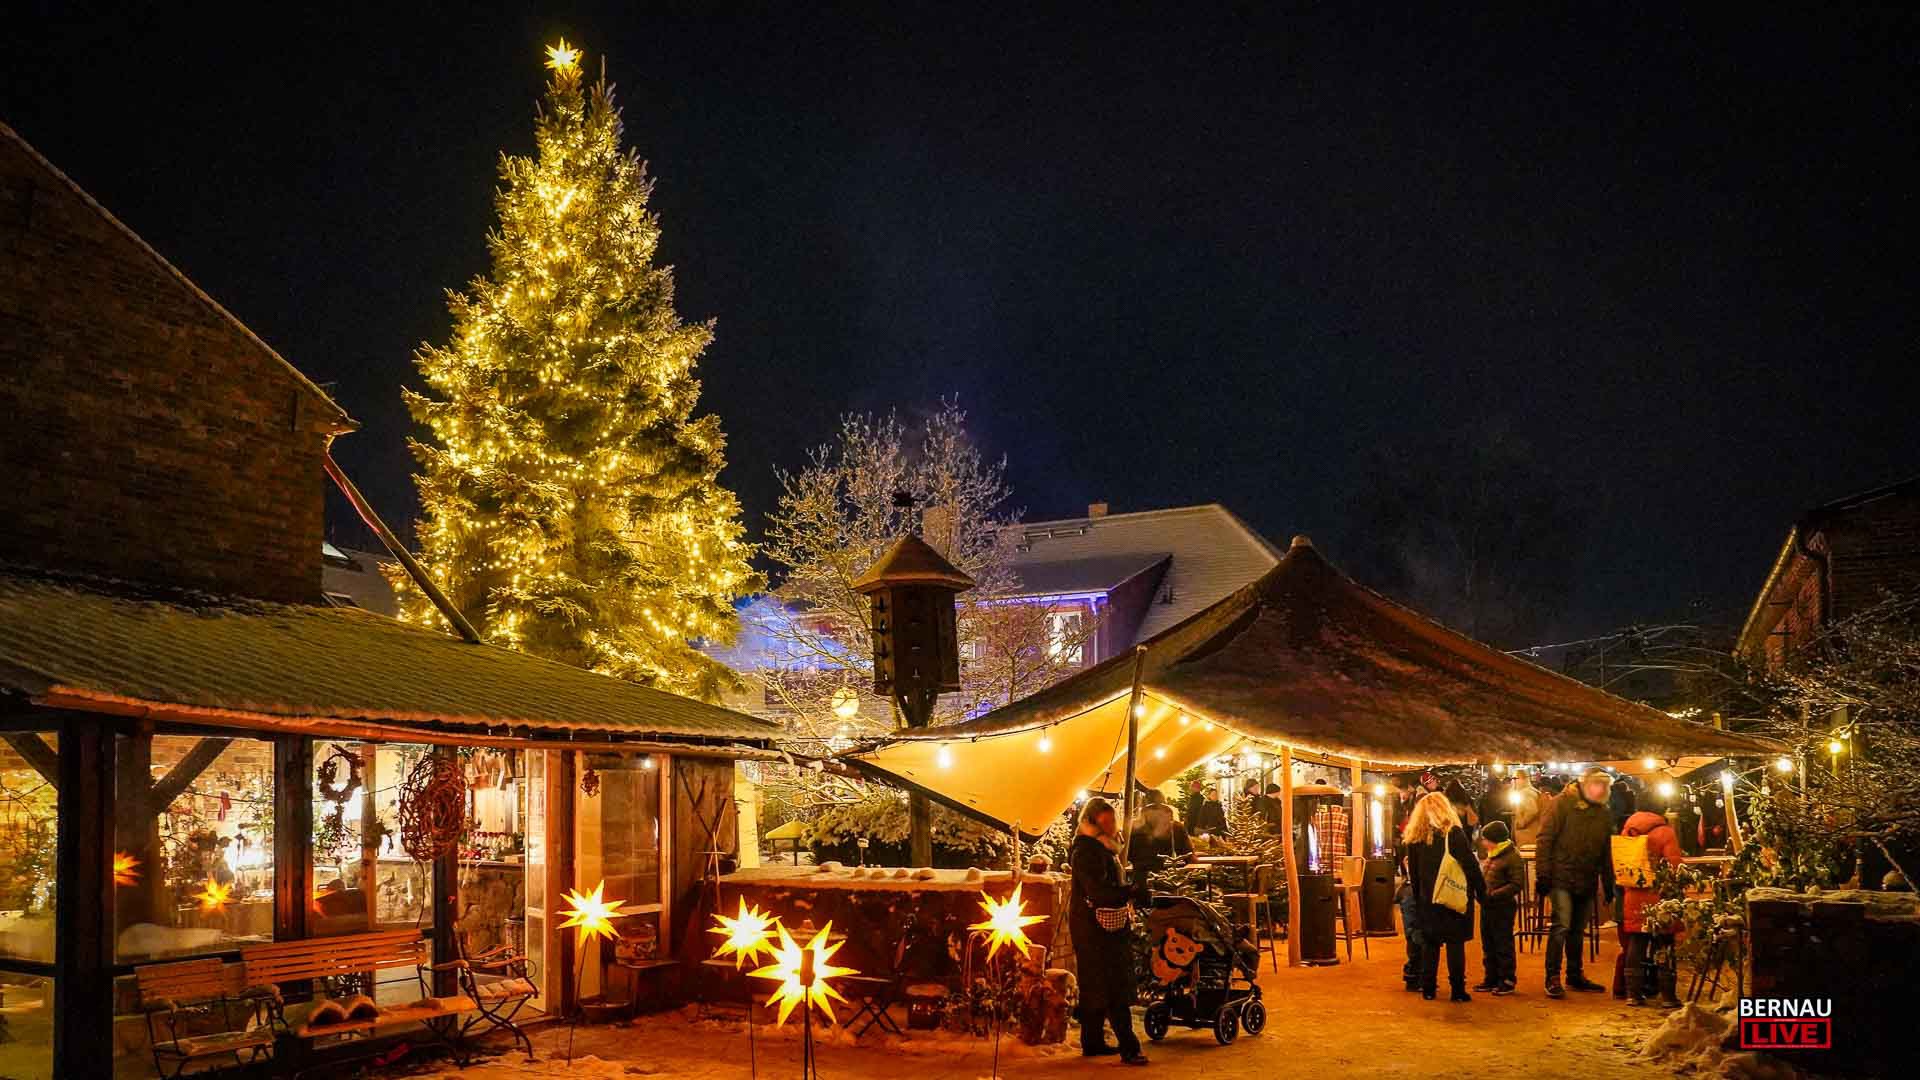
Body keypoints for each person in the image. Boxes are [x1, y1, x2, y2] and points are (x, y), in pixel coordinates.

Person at [1068, 797, 1148, 1066]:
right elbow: (1098, 891)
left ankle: (1092, 1042)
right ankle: (1130, 1046)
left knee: (1095, 984)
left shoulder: (1101, 848)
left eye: (1113, 819)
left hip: (1095, 925)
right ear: (1093, 823)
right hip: (1096, 928)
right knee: (1114, 985)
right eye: (1107, 821)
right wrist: (1129, 891)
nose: (1113, 825)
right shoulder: (1089, 851)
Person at [1535, 768, 1617, 998]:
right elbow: (1545, 839)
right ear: (1584, 784)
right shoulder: (1561, 804)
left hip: (1586, 877)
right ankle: (1552, 976)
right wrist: (1543, 875)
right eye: (1596, 784)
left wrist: (1608, 882)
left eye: (1604, 785)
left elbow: (1605, 850)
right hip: (1561, 875)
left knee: (1577, 931)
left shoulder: (1603, 812)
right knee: (1561, 926)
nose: (1600, 789)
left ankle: (1574, 974)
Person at [1401, 791, 1487, 1001]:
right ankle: (1457, 990)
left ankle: (1429, 988)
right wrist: (1481, 893)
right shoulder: (1454, 833)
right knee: (1455, 944)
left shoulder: (1414, 838)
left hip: (1428, 899)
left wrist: (1420, 898)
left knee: (1430, 944)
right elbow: (1470, 865)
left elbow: (1413, 873)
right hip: (1452, 896)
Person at [1616, 808, 1685, 1008]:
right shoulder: (1665, 832)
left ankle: (1633, 994)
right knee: (1663, 944)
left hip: (1634, 893)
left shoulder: (1629, 830)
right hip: (1659, 895)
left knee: (1636, 943)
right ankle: (1668, 996)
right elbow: (1674, 866)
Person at [1475, 819, 1523, 995]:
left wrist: (1493, 896)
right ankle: (1491, 978)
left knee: (1503, 943)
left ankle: (1507, 979)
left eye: (1485, 838)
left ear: (1495, 839)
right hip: (1488, 907)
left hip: (1502, 907)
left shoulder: (1512, 857)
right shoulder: (1493, 854)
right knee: (1488, 944)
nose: (1483, 842)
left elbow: (1516, 884)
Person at [1127, 795, 1193, 897]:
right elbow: (1189, 855)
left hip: (1143, 883)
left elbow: (1128, 856)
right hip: (1173, 880)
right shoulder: (1176, 827)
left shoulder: (1134, 829)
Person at [1508, 771, 1545, 851]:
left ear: (1521, 779)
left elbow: (1532, 811)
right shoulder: (1532, 791)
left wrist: (1521, 822)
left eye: (1515, 778)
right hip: (1532, 831)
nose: (1512, 782)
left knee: (1527, 858)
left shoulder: (1525, 793)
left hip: (1527, 833)